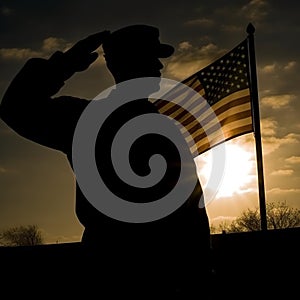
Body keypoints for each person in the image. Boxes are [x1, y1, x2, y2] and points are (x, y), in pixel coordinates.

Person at [0, 24, 212, 296]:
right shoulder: (87, 121)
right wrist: (62, 66)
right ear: (126, 62)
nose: (159, 65)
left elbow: (191, 209)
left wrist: (201, 269)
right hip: (119, 273)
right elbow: (15, 108)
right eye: (150, 56)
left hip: (161, 276)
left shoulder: (161, 128)